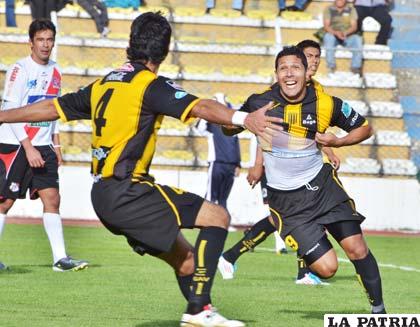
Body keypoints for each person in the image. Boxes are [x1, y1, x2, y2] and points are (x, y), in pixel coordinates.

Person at [0, 12, 281, 326]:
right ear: (163, 50)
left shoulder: (104, 83)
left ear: (131, 43)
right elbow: (200, 105)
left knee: (188, 262)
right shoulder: (150, 85)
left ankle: (201, 311)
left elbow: (52, 107)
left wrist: (3, 115)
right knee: (218, 217)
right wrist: (245, 119)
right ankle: (199, 310)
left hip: (103, 196)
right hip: (129, 191)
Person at [221, 46, 386, 314]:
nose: (289, 74)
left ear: (306, 72)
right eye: (283, 68)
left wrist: (339, 141)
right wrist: (244, 120)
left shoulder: (326, 103)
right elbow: (227, 128)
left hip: (323, 188)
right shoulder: (259, 102)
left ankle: (379, 312)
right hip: (288, 203)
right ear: (275, 73)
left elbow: (365, 128)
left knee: (357, 248)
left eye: (295, 67)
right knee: (327, 268)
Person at [219, 39, 340, 285]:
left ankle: (302, 272)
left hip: (303, 167)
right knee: (283, 218)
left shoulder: (318, 91)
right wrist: (258, 164)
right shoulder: (277, 92)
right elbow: (267, 131)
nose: (314, 61)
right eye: (309, 56)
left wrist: (328, 149)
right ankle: (231, 256)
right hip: (277, 165)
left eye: (317, 56)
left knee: (296, 217)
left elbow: (307, 132)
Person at [0, 19, 88, 272]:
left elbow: (54, 111)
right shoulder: (20, 69)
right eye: (40, 39)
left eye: (49, 39)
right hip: (16, 144)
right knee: (5, 202)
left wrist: (56, 146)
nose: (45, 44)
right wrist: (28, 147)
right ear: (30, 43)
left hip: (44, 145)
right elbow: (9, 110)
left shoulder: (56, 71)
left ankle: (60, 259)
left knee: (52, 198)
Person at [195, 93, 241, 210]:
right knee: (210, 197)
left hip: (230, 166)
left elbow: (236, 145)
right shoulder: (211, 128)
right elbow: (199, 127)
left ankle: (221, 225)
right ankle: (204, 222)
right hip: (217, 164)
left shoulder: (232, 127)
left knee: (223, 199)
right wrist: (208, 109)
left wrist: (238, 164)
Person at [323, 0, 363, 75]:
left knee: (358, 39)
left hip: (347, 35)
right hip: (333, 34)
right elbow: (326, 26)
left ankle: (355, 67)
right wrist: (336, 33)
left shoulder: (351, 9)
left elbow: (354, 26)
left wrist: (345, 33)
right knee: (328, 37)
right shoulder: (329, 9)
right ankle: (331, 66)